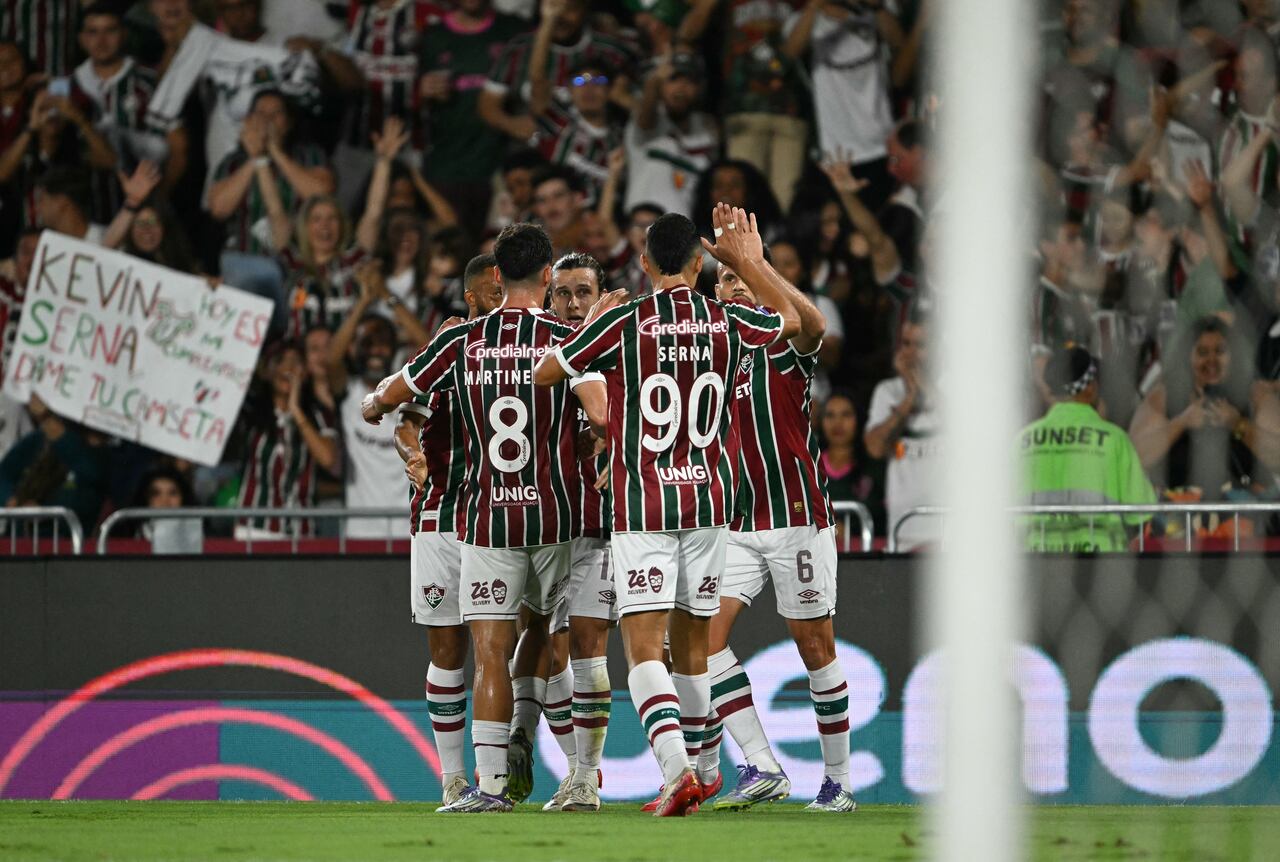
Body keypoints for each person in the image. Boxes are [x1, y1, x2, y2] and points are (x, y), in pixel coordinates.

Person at [533, 206, 799, 817]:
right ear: (700, 263)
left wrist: (590, 325)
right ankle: (703, 769)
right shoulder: (727, 318)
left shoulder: (625, 319)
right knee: (693, 648)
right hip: (709, 503)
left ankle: (678, 771)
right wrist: (751, 264)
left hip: (645, 506)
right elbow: (789, 320)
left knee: (644, 652)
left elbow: (549, 371)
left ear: (645, 262)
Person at [362, 223, 587, 813]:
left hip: (487, 518)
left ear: (498, 275)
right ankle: (581, 777)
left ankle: (489, 787)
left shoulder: (461, 342)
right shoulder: (567, 338)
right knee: (551, 640)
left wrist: (372, 403)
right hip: (555, 518)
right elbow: (603, 413)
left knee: (490, 650)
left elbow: (392, 395)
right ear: (548, 276)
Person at [695, 243, 856, 812]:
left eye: (743, 277)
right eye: (726, 278)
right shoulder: (708, 351)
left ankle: (838, 782)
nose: (735, 284)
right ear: (715, 294)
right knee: (700, 643)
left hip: (796, 517)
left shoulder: (780, 342)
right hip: (735, 522)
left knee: (815, 648)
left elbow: (814, 326)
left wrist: (755, 263)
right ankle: (763, 765)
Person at [394, 252, 503, 809]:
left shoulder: (520, 349)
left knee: (500, 647)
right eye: (493, 292)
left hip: (497, 515)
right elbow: (405, 422)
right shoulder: (447, 347)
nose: (502, 300)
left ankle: (502, 769)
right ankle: (454, 778)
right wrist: (413, 456)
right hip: (439, 516)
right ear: (472, 296)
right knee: (447, 650)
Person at [535, 251, 614, 812]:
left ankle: (587, 778)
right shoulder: (538, 354)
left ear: (600, 296)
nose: (572, 303)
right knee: (545, 651)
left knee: (590, 646)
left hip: (602, 524)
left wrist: (612, 434)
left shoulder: (619, 347)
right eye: (562, 293)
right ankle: (574, 767)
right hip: (544, 525)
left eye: (583, 292)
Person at [1128, 316, 1280, 499]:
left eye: (1220, 351)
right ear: (1187, 357)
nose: (1212, 360)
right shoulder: (1166, 394)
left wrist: (1238, 425)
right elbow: (1133, 457)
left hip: (1245, 508)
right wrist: (1182, 422)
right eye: (1202, 352)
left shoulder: (1254, 393)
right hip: (1179, 508)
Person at [1020, 346, 1155, 552]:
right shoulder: (1114, 440)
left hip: (1035, 560)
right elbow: (1140, 514)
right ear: (1091, 387)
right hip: (1099, 560)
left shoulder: (1022, 442)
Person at [416, 0, 526, 239]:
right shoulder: (433, 36)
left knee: (497, 248)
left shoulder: (513, 30)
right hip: (446, 167)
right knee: (454, 246)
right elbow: (407, 99)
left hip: (499, 168)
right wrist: (421, 91)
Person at [235, 339, 339, 537]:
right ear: (266, 372)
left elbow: (327, 459)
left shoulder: (319, 415)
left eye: (296, 362)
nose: (288, 368)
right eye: (280, 361)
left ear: (305, 373)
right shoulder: (250, 412)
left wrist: (296, 410)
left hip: (301, 529)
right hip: (253, 528)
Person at [864, 316, 939, 550]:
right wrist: (909, 399)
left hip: (949, 528)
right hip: (903, 528)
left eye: (921, 345)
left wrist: (926, 389)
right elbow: (875, 448)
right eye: (906, 344)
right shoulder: (887, 391)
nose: (911, 352)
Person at [624, 52, 718, 218]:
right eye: (673, 80)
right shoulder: (647, 120)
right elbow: (646, 117)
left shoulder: (706, 130)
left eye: (690, 81)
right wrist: (653, 82)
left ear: (699, 88)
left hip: (683, 227)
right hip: (642, 227)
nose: (681, 87)